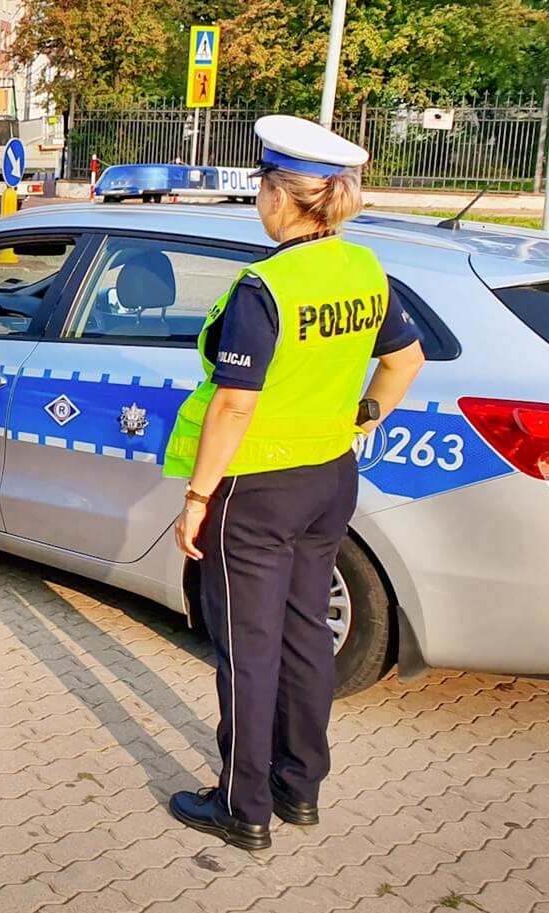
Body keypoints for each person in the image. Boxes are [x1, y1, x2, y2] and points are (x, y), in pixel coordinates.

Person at [164, 115, 426, 851]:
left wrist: (197, 496)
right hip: (328, 478)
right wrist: (360, 417)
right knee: (306, 633)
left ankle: (243, 808)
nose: (259, 199)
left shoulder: (265, 286)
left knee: (248, 646)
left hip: (255, 488)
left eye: (262, 186)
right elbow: (405, 362)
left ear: (282, 196)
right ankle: (299, 786)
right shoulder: (364, 269)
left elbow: (236, 400)